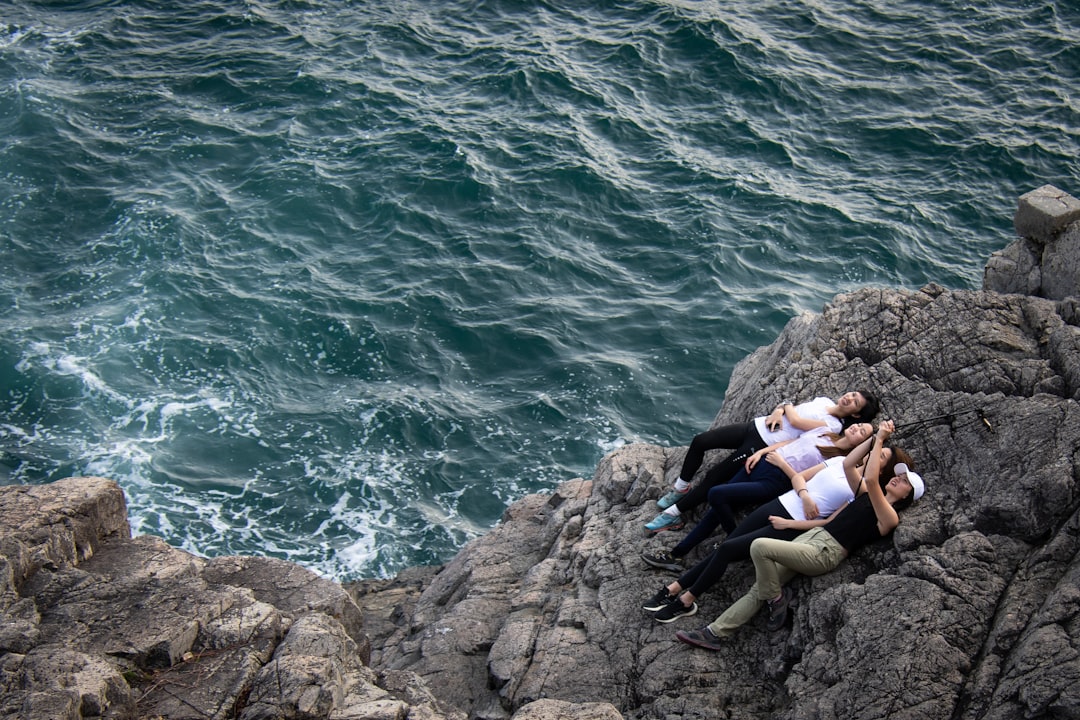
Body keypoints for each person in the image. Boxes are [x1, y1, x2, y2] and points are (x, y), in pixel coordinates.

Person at [673, 421, 924, 649]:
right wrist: (874, 438)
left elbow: (870, 479)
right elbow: (849, 464)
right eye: (898, 476)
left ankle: (776, 598)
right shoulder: (864, 494)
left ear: (906, 496)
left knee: (759, 547)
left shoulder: (889, 515)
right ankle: (714, 634)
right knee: (757, 590)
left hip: (825, 551)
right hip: (811, 538)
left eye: (904, 482)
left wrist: (880, 439)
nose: (898, 480)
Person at [646, 391, 879, 536]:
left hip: (765, 441)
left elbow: (795, 420)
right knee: (701, 441)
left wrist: (784, 405)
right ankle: (681, 487)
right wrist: (779, 410)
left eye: (854, 402)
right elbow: (791, 411)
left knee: (714, 477)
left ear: (856, 415)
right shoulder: (824, 400)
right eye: (852, 394)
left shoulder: (834, 427)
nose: (848, 398)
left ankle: (674, 514)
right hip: (757, 426)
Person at [643, 421, 877, 562]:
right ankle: (676, 554)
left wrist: (780, 464)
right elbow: (788, 443)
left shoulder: (839, 460)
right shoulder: (824, 431)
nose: (856, 428)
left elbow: (803, 479)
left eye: (862, 432)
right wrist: (761, 453)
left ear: (862, 444)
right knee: (714, 511)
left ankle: (731, 535)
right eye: (858, 425)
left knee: (717, 493)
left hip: (777, 480)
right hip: (763, 462)